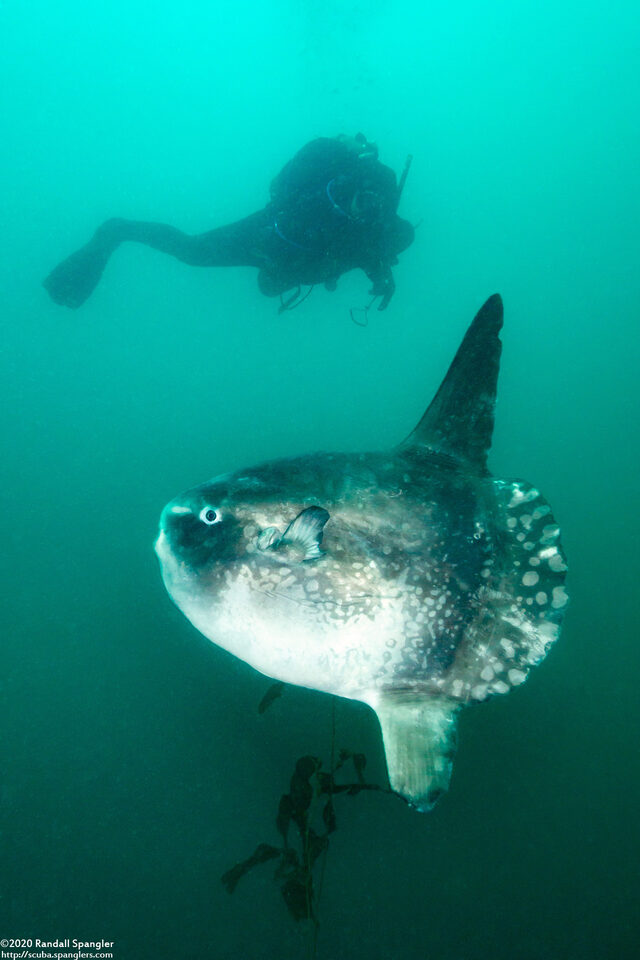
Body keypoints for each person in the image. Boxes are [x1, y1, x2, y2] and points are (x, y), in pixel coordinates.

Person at [43, 133, 415, 312]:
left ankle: (119, 230)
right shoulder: (340, 195)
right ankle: (116, 229)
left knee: (258, 284)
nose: (363, 209)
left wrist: (381, 273)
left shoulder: (372, 237)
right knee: (190, 252)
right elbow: (284, 196)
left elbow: (371, 250)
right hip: (269, 235)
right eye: (362, 201)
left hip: (286, 256)